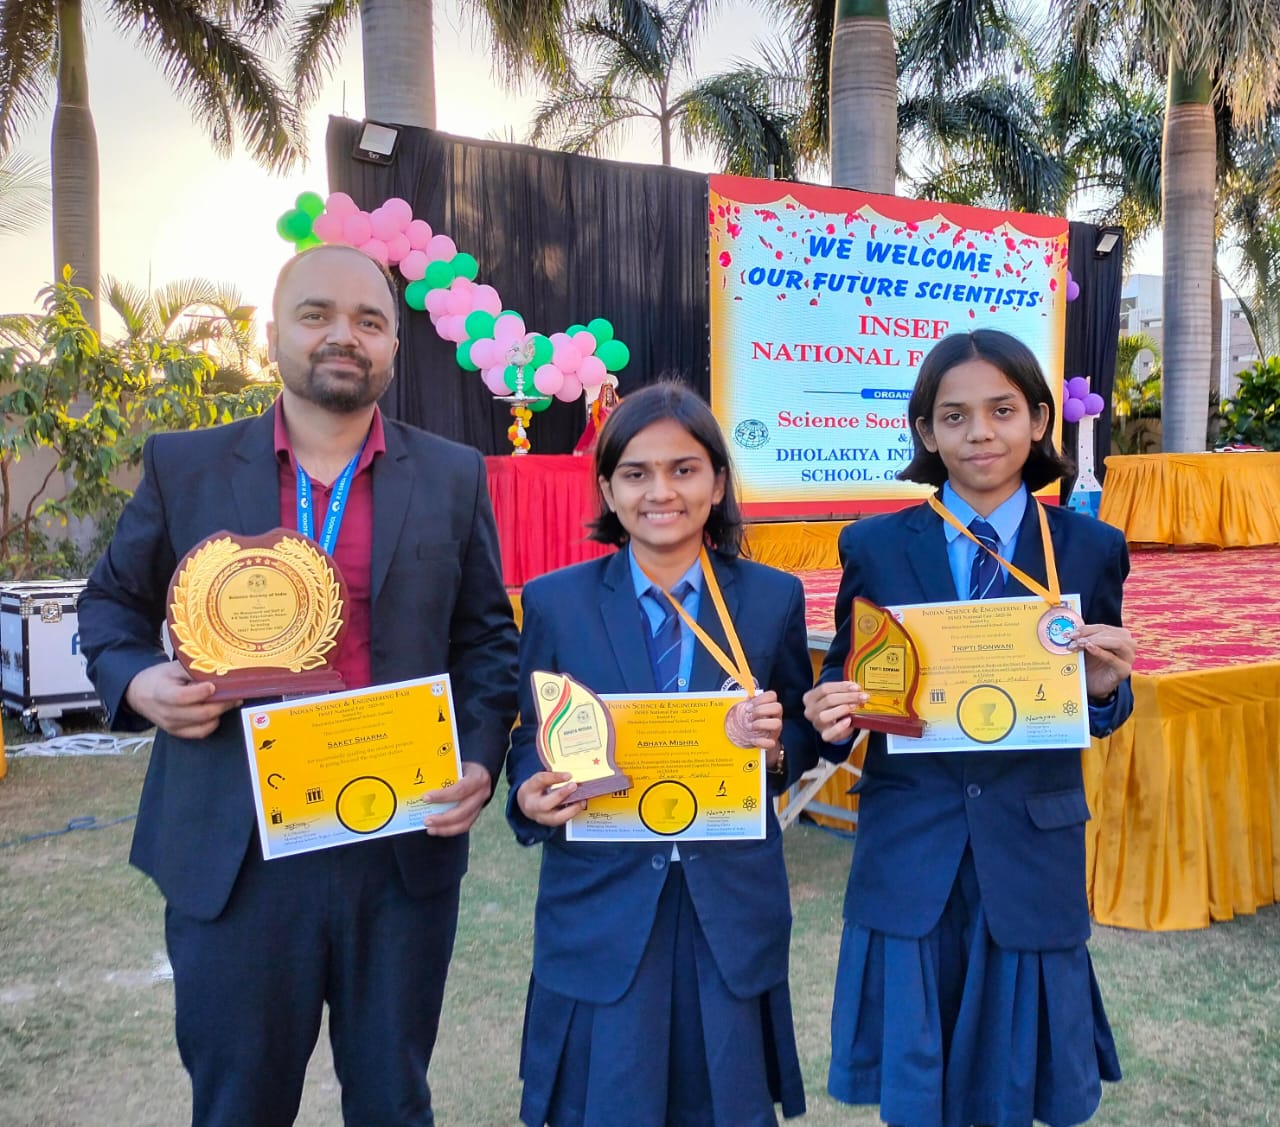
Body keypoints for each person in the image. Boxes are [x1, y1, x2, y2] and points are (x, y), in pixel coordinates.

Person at [78, 243, 519, 1127]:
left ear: (394, 345)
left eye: (369, 320)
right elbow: (109, 606)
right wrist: (139, 682)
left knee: (393, 1102)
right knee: (238, 1105)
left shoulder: (452, 474)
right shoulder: (186, 465)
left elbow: (485, 641)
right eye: (316, 314)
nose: (343, 335)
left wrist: (478, 756)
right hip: (235, 849)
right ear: (273, 332)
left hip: (396, 839)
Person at [803, 330, 1135, 1127]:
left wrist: (1103, 689)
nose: (980, 432)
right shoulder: (876, 545)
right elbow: (847, 682)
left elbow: (1101, 701)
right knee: (918, 1087)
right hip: (911, 845)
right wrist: (828, 713)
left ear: (1039, 420)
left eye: (1002, 411)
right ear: (926, 431)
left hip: (1029, 850)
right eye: (954, 416)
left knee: (1012, 1084)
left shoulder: (1089, 547)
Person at [507, 381, 812, 1126]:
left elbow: (802, 735)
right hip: (602, 902)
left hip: (726, 905)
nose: (661, 492)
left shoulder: (770, 598)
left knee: (725, 1103)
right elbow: (530, 735)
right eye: (636, 473)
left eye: (684, 469)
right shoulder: (556, 602)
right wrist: (529, 791)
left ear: (717, 483)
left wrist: (777, 748)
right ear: (608, 489)